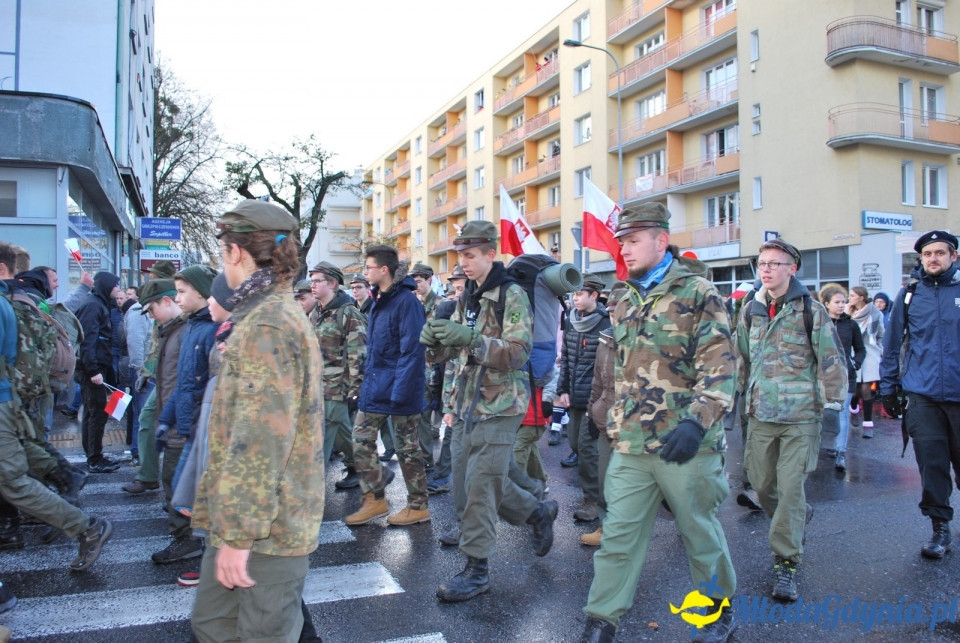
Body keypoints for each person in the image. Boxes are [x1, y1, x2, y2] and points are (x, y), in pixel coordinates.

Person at [579, 204, 737, 643]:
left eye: (633, 240)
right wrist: (606, 416)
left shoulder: (698, 292)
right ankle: (602, 619)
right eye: (622, 242)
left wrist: (697, 422)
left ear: (661, 240)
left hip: (685, 442)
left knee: (698, 532)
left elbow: (721, 366)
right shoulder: (624, 297)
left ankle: (717, 611)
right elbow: (620, 367)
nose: (624, 250)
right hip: (632, 443)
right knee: (618, 536)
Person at [191, 199, 324, 641]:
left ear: (235, 252)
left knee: (259, 634)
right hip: (249, 518)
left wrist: (238, 535)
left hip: (266, 528)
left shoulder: (267, 324)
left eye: (222, 251)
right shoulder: (263, 314)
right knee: (213, 627)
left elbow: (261, 440)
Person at [421, 220, 559, 602]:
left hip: (502, 404)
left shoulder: (511, 295)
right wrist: (435, 344)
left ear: (490, 254)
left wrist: (470, 338)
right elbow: (455, 348)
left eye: (470, 255)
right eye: (460, 255)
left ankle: (476, 570)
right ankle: (536, 512)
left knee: (481, 486)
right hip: (468, 402)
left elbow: (517, 353)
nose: (463, 263)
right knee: (468, 484)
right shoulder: (469, 296)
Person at [735, 238, 847, 603]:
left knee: (790, 487)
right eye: (762, 264)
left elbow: (830, 358)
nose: (766, 269)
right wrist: (729, 399)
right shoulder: (750, 309)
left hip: (801, 416)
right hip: (760, 414)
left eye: (774, 263)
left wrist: (833, 405)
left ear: (792, 269)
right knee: (762, 485)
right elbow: (741, 358)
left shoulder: (811, 310)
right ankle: (796, 516)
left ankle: (786, 561)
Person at [0, 278, 112, 572]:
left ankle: (85, 524)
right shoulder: (11, 304)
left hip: (6, 401)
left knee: (12, 481)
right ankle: (67, 480)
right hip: (11, 399)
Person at [880, 230, 960, 560]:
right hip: (922, 394)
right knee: (932, 465)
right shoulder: (910, 294)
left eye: (940, 253)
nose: (933, 258)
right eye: (927, 254)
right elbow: (892, 343)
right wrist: (888, 388)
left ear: (954, 256)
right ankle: (940, 529)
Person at [344, 245, 429, 527]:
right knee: (360, 438)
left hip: (401, 388)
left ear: (383, 270)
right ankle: (375, 498)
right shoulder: (378, 299)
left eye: (368, 267)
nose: (365, 272)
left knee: (407, 449)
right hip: (377, 385)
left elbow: (412, 350)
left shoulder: (406, 302)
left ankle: (418, 506)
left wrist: (400, 392)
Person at [152, 265, 218, 565]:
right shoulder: (191, 326)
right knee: (179, 485)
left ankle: (195, 543)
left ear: (202, 293)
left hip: (200, 426)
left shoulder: (211, 330)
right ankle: (195, 541)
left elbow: (210, 385)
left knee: (184, 486)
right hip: (187, 422)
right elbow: (184, 382)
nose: (177, 298)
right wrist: (167, 419)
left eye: (181, 292)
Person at [555, 272, 611, 523]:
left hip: (596, 398)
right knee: (576, 444)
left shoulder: (606, 323)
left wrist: (602, 399)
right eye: (573, 294)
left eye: (579, 294)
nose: (574, 299)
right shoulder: (571, 319)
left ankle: (594, 501)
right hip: (574, 394)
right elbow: (566, 357)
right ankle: (597, 493)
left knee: (588, 450)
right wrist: (563, 389)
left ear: (594, 296)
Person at [120, 280, 184, 496]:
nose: (151, 316)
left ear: (166, 301)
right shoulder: (167, 325)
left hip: (178, 386)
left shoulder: (185, 325)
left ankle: (179, 499)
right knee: (148, 419)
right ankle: (150, 477)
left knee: (177, 437)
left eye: (152, 309)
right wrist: (146, 372)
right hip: (165, 381)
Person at [308, 261, 366, 490]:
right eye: (311, 281)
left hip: (337, 386)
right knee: (342, 431)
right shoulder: (317, 312)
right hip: (318, 385)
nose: (312, 285)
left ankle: (309, 488)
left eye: (317, 281)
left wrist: (356, 387)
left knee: (322, 437)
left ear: (332, 283)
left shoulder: (348, 313)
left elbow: (358, 353)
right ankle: (369, 471)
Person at [580, 283, 626, 548]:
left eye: (620, 310)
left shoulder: (644, 341)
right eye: (610, 312)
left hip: (634, 426)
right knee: (605, 478)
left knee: (632, 484)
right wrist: (592, 412)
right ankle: (608, 527)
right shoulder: (605, 340)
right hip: (605, 421)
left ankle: (684, 515)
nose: (614, 317)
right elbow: (598, 381)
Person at [74, 271, 123, 473]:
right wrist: (93, 369)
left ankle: (93, 455)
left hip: (97, 366)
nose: (118, 289)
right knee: (97, 413)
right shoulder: (93, 306)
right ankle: (94, 458)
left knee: (93, 411)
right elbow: (87, 340)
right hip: (92, 369)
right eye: (115, 285)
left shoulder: (99, 304)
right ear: (106, 286)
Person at [818, 285, 864, 472]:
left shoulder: (851, 325)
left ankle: (840, 451)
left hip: (846, 376)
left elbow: (860, 349)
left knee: (843, 413)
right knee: (824, 412)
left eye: (843, 302)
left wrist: (855, 363)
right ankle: (826, 444)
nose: (841, 305)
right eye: (837, 302)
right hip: (823, 376)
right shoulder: (820, 324)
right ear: (826, 304)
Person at [847, 286, 884, 438]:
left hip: (870, 352)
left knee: (866, 388)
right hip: (853, 351)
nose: (849, 298)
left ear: (861, 297)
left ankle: (868, 424)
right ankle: (854, 408)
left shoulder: (875, 313)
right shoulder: (847, 313)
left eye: (852, 295)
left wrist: (879, 349)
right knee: (856, 388)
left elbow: (880, 334)